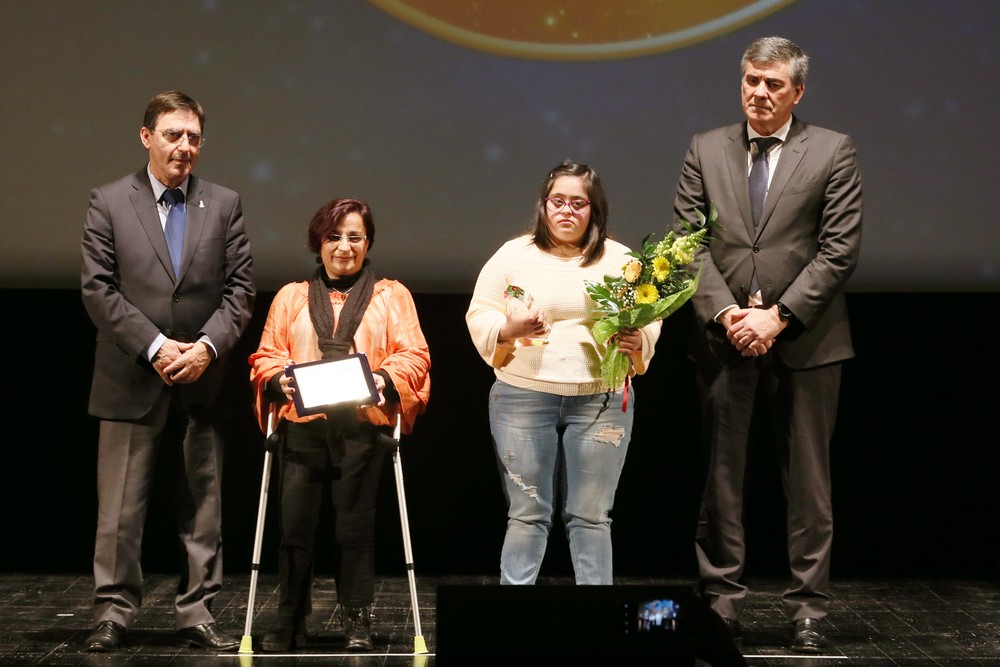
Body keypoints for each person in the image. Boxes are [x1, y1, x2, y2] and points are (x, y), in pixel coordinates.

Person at [672, 36, 863, 653]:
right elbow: (687, 244)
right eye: (752, 80)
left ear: (796, 91)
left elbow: (839, 250)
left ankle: (807, 609)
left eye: (773, 84)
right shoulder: (706, 148)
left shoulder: (833, 150)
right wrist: (729, 314)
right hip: (725, 341)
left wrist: (778, 317)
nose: (759, 92)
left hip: (807, 342)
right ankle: (721, 603)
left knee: (807, 482)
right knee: (721, 481)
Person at [80, 91, 255, 652]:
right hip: (131, 378)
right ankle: (112, 612)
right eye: (173, 134)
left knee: (203, 508)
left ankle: (197, 611)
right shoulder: (108, 201)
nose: (184, 147)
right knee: (119, 514)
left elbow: (241, 290)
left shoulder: (224, 204)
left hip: (201, 380)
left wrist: (205, 348)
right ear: (146, 136)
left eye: (193, 137)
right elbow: (98, 290)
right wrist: (155, 346)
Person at [466, 159, 661, 585]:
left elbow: (648, 315)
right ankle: (514, 623)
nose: (567, 211)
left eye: (579, 203)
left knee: (591, 517)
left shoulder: (620, 259)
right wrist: (509, 329)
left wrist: (638, 341)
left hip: (601, 400)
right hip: (522, 395)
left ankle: (598, 626)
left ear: (595, 210)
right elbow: (480, 311)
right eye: (558, 201)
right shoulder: (513, 255)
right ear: (543, 205)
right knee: (526, 514)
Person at [248, 197, 431, 652]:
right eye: (334, 237)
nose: (344, 246)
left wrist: (384, 377)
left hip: (361, 426)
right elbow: (267, 355)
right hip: (303, 427)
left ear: (367, 243)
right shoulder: (291, 297)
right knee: (295, 529)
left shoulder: (392, 295)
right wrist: (277, 381)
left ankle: (356, 622)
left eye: (355, 237)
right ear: (319, 242)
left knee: (355, 529)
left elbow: (414, 354)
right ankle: (290, 622)